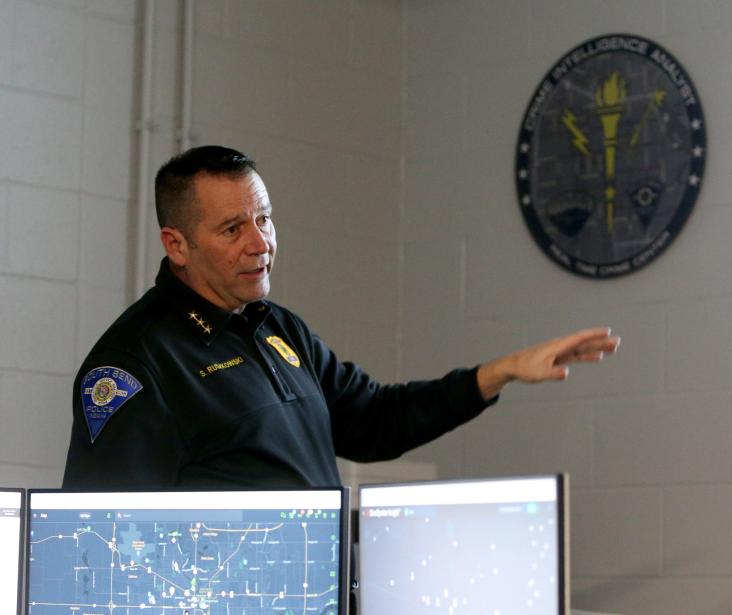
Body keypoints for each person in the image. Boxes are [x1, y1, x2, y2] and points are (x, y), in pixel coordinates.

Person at [62, 145, 619, 489]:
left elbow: (376, 421)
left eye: (265, 219)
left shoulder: (277, 328)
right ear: (176, 245)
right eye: (233, 229)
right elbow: (107, 534)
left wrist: (503, 370)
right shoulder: (137, 363)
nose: (261, 243)